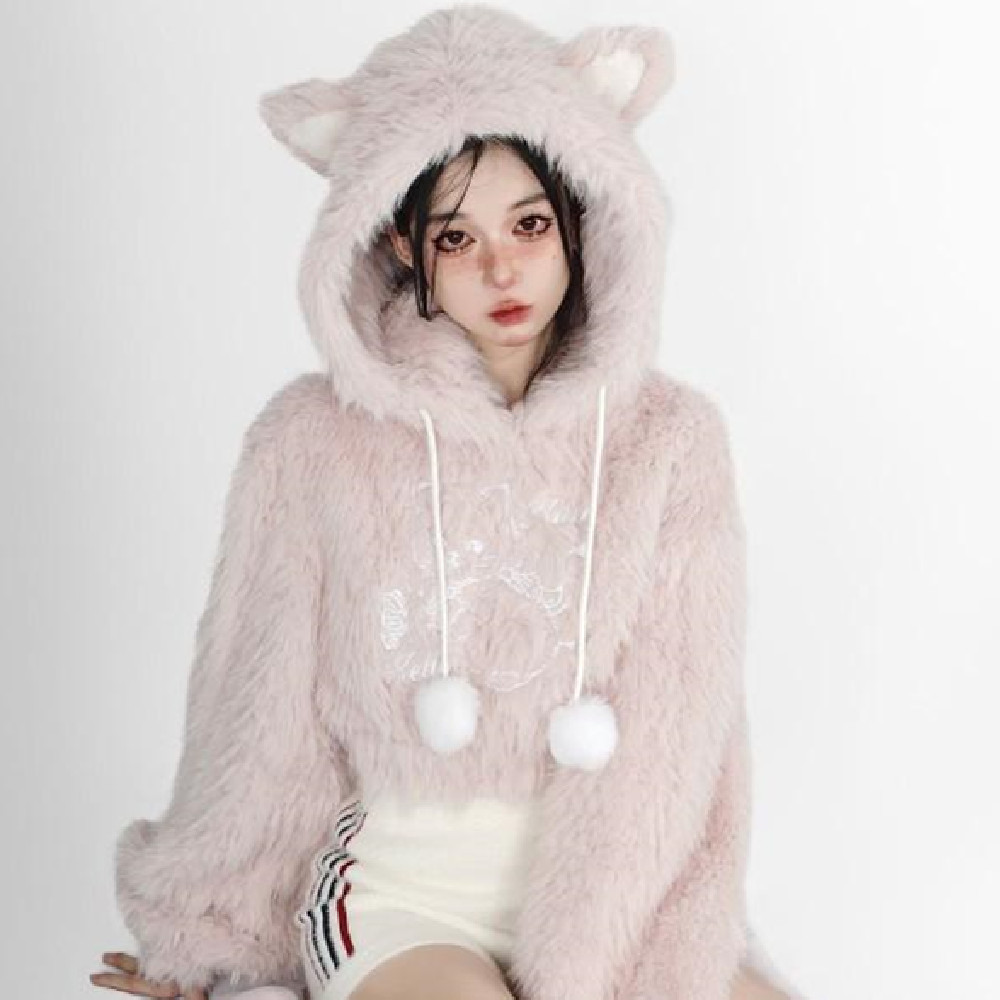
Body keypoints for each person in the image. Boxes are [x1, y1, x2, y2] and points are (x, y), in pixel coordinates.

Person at [91, 7, 808, 1000]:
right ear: (400, 243)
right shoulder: (311, 440)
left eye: (529, 225)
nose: (502, 269)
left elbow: (687, 731)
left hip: (604, 891)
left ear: (580, 217)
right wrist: (203, 931)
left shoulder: (670, 440)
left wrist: (642, 947)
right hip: (399, 892)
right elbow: (256, 706)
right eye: (457, 237)